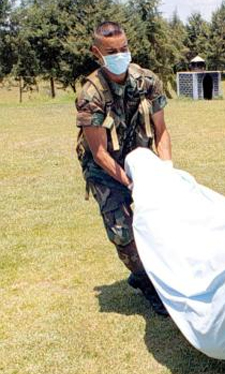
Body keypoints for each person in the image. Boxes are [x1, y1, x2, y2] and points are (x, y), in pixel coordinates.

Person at [75, 21, 172, 316]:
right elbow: (99, 152)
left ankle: (155, 273)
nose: (120, 55)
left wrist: (167, 171)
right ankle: (147, 284)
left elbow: (162, 131)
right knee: (123, 232)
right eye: (111, 51)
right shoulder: (90, 95)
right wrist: (130, 184)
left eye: (124, 48)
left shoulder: (147, 81)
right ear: (97, 53)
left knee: (157, 222)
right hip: (104, 169)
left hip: (141, 161)